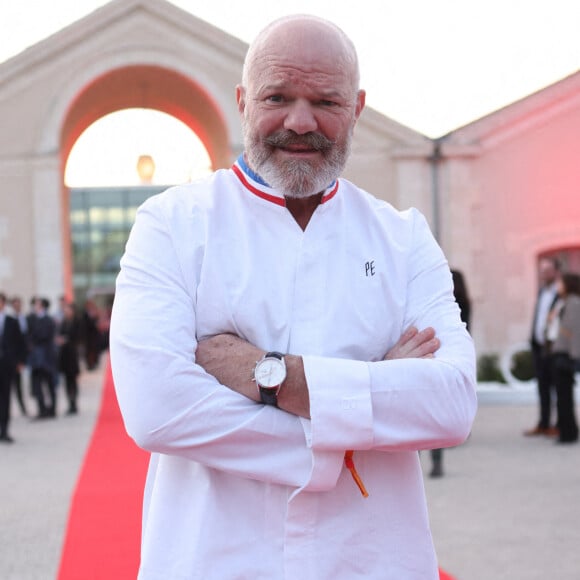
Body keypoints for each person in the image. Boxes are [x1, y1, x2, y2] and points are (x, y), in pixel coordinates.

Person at [110, 15, 477, 580]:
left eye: (325, 101)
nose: (300, 122)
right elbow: (158, 410)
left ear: (356, 108)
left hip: (370, 560)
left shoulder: (403, 237)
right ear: (242, 100)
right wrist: (368, 396)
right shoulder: (172, 225)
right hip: (214, 558)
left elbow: (450, 403)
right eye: (277, 96)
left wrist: (266, 373)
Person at [430, 268, 472, 477]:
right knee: (437, 409)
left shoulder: (448, 305)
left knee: (432, 410)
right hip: (445, 356)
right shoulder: (459, 304)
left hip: (436, 355)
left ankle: (434, 459)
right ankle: (436, 459)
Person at [525, 257, 561, 436]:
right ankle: (544, 423)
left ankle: (559, 424)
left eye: (547, 270)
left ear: (556, 272)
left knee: (558, 387)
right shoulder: (541, 292)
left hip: (555, 349)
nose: (543, 274)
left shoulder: (561, 293)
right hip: (539, 347)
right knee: (543, 387)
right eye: (541, 270)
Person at [550, 272, 580, 443]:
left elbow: (575, 331)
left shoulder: (574, 303)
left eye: (560, 283)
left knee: (565, 397)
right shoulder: (564, 302)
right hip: (560, 353)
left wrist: (574, 357)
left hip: (566, 355)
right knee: (562, 397)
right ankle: (566, 430)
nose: (558, 286)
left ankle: (568, 433)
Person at [0, 293, 26, 442]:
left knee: (6, 397)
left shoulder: (12, 321)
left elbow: (20, 343)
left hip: (7, 365)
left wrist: (20, 361)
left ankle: (5, 430)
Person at [28, 297, 58, 419]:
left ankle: (52, 409)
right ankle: (42, 409)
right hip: (36, 358)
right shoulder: (32, 318)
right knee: (37, 385)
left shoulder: (48, 320)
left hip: (46, 357)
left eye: (38, 304)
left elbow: (43, 335)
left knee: (50, 384)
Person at [56, 302, 81, 415]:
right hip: (64, 356)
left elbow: (79, 337)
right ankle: (70, 403)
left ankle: (74, 402)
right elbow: (59, 334)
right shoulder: (63, 322)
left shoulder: (76, 322)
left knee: (73, 381)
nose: (66, 312)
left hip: (72, 355)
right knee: (66, 381)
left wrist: (67, 340)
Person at [9, 296, 29, 416]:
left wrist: (21, 360)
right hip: (7, 359)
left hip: (17, 357)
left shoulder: (24, 319)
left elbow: (21, 342)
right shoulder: (10, 320)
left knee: (18, 385)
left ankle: (22, 407)